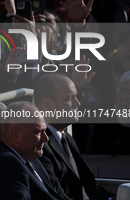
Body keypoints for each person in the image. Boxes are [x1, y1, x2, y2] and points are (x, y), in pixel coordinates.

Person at [34, 72, 114, 200]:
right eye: (69, 98)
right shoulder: (38, 144)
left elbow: (87, 184)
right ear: (48, 104)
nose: (78, 104)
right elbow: (55, 194)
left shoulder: (65, 138)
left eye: (76, 97)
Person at [0, 101, 65, 200]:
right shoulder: (8, 163)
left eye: (45, 131)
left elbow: (60, 195)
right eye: (38, 132)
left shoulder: (31, 157)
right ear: (15, 135)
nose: (46, 138)